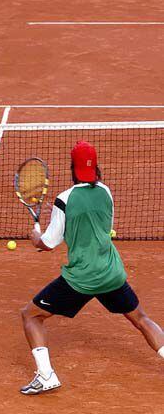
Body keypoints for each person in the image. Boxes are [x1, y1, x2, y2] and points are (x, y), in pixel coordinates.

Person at [20, 140, 164, 395]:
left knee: (31, 316)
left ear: (72, 168)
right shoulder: (106, 192)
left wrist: (35, 238)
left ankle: (46, 376)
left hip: (81, 279)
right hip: (111, 273)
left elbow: (49, 244)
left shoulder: (64, 199)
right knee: (141, 319)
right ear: (95, 167)